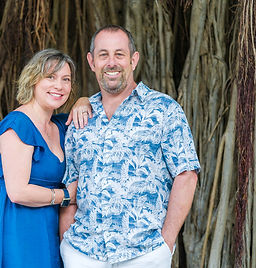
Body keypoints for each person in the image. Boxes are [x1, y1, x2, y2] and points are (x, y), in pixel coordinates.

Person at [59, 25, 201, 268]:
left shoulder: (163, 109)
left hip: (144, 253)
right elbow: (71, 183)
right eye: (103, 55)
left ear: (133, 60)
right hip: (82, 252)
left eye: (119, 54)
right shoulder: (80, 118)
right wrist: (66, 242)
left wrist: (165, 242)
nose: (111, 62)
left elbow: (186, 175)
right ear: (92, 62)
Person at [0, 48, 92, 268]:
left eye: (65, 79)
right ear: (33, 79)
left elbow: (94, 108)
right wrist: (66, 196)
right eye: (50, 77)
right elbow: (18, 192)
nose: (59, 86)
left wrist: (83, 101)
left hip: (51, 226)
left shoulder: (60, 126)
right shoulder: (18, 126)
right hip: (20, 227)